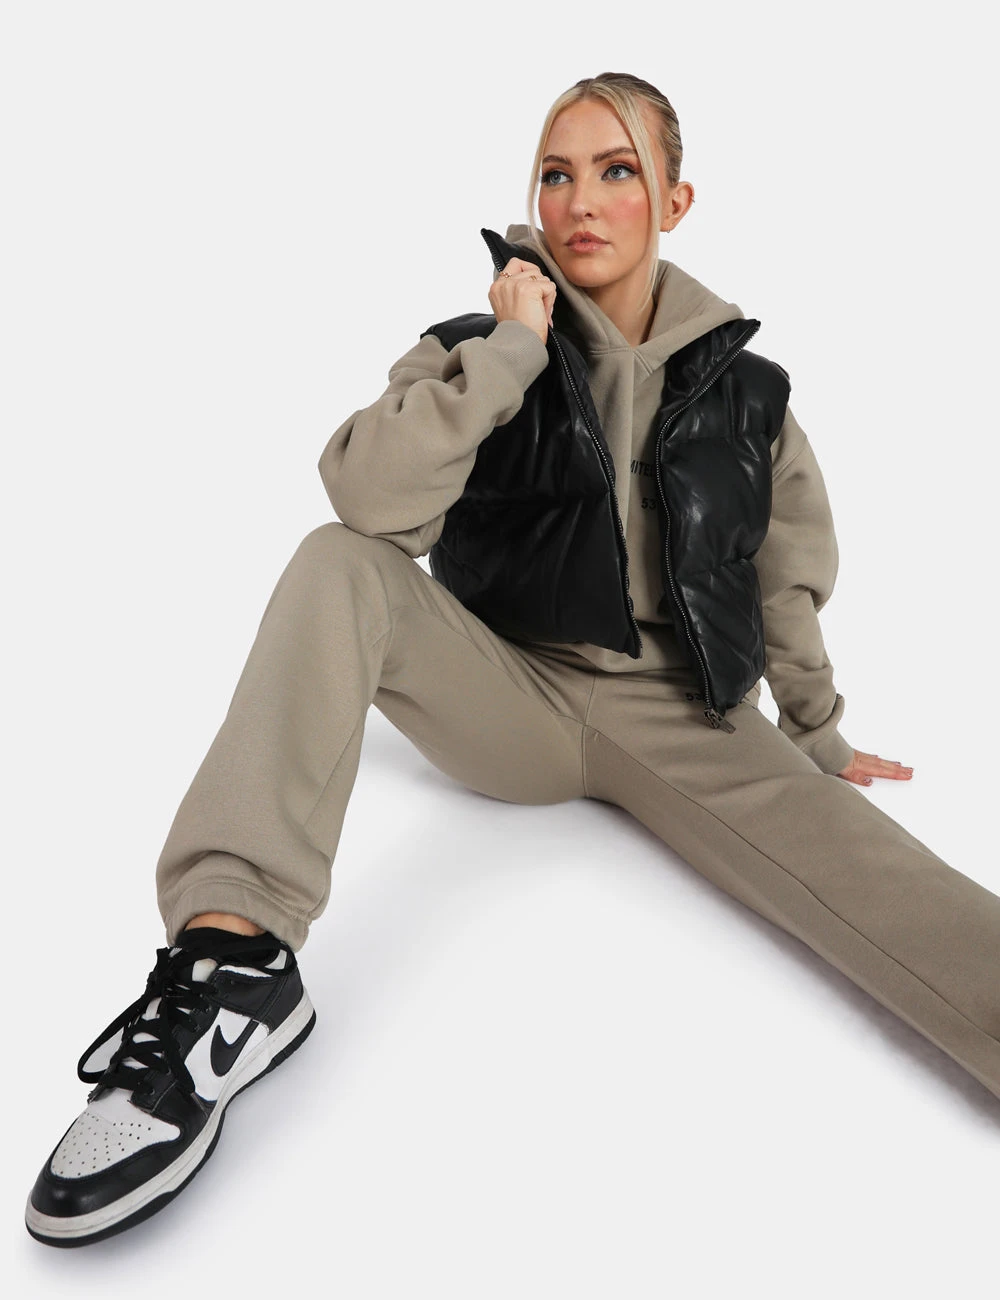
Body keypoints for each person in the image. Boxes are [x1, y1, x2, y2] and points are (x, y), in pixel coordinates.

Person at [25, 69, 1000, 1248]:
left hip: (686, 714)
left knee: (883, 874)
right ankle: (231, 974)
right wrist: (508, 354)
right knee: (335, 563)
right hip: (508, 687)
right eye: (555, 173)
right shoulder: (471, 349)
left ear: (675, 201)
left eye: (616, 171)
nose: (580, 201)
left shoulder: (748, 391)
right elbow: (367, 501)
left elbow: (785, 567)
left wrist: (818, 725)